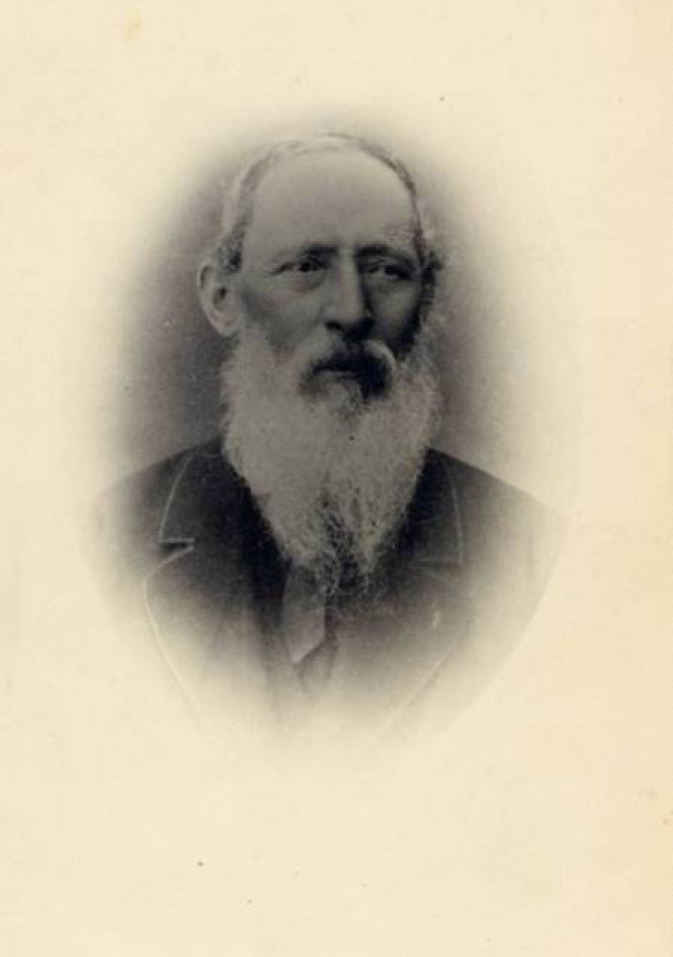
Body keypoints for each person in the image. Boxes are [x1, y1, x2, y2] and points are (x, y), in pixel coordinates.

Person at [99, 132, 561, 733]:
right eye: (306, 266)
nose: (350, 310)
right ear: (222, 297)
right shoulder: (108, 539)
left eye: (386, 270)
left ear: (427, 300)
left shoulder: (529, 553)